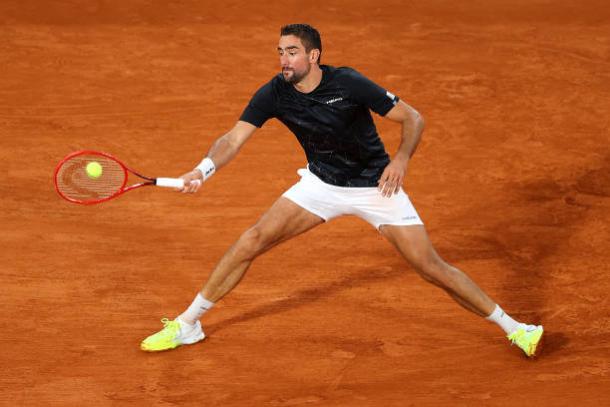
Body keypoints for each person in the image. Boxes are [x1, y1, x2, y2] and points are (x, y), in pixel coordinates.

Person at [140, 24, 543, 357]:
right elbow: (233, 138)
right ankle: (187, 324)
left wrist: (400, 160)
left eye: (293, 52)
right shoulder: (273, 93)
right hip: (321, 185)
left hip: (376, 188)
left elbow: (413, 118)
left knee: (430, 267)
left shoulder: (348, 82)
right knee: (253, 239)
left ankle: (516, 328)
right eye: (280, 51)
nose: (284, 60)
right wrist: (202, 169)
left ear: (313, 56)